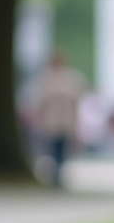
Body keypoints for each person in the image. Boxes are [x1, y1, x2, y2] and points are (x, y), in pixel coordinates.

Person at [31, 50, 86, 188]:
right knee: (52, 150)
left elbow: (75, 103)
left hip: (65, 122)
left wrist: (76, 122)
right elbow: (41, 104)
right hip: (50, 123)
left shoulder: (71, 79)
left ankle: (59, 175)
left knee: (62, 150)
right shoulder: (45, 79)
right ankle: (55, 176)